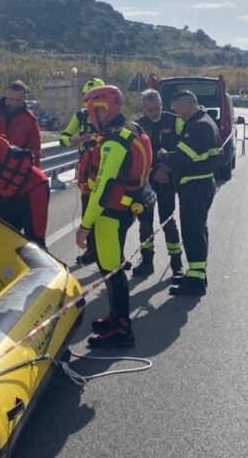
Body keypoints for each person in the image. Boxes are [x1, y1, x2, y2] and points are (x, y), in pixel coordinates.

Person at [74, 85, 153, 348]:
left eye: (92, 110)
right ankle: (115, 316)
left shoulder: (114, 142)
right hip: (124, 208)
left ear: (102, 109)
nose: (90, 115)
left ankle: (122, 329)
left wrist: (85, 226)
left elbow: (102, 187)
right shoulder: (132, 129)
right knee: (112, 266)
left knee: (111, 269)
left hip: (110, 213)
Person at [156, 90, 221, 296]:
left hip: (195, 186)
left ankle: (195, 282)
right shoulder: (205, 121)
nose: (178, 114)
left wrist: (165, 156)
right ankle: (197, 274)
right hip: (200, 185)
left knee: (192, 233)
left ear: (185, 106)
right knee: (198, 230)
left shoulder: (198, 126)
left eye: (177, 110)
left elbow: (181, 157)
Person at [132, 89, 184, 279]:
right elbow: (135, 158)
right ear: (143, 109)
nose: (154, 113)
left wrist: (169, 169)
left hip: (167, 180)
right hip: (147, 182)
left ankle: (177, 265)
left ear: (162, 105)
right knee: (145, 223)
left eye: (157, 108)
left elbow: (183, 149)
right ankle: (147, 262)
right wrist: (153, 172)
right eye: (150, 110)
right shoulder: (138, 126)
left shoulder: (175, 120)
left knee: (168, 221)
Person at [60, 78, 106, 266]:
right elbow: (64, 139)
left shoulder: (112, 115)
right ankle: (91, 250)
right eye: (88, 98)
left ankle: (114, 254)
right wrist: (78, 140)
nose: (92, 102)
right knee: (88, 209)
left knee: (110, 210)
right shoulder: (80, 116)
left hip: (108, 164)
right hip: (87, 169)